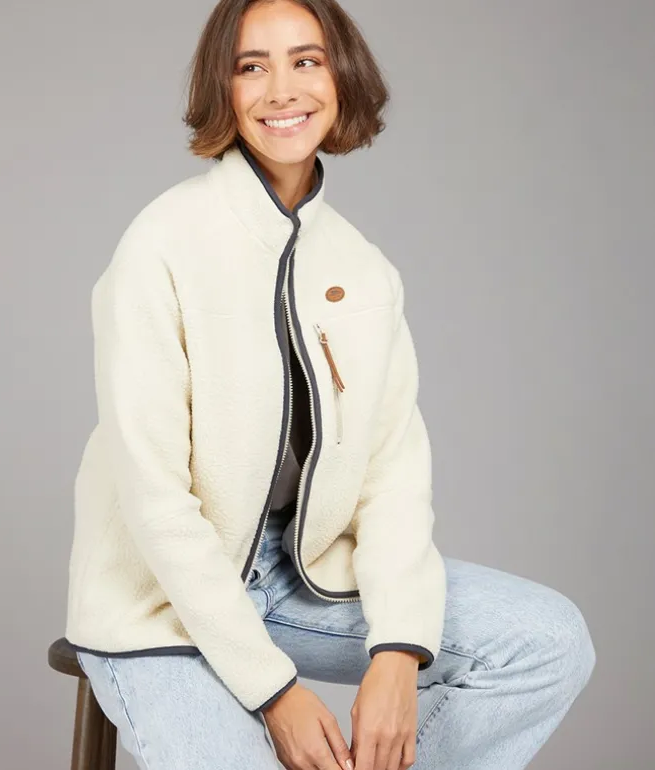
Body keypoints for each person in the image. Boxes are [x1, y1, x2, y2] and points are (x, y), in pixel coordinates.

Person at [63, 1, 596, 768]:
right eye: (252, 66)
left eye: (306, 60)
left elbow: (392, 482)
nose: (282, 89)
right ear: (223, 87)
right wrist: (275, 691)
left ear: (341, 76)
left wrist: (399, 651)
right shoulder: (162, 245)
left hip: (297, 577)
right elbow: (155, 501)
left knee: (547, 641)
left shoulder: (366, 271)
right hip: (163, 600)